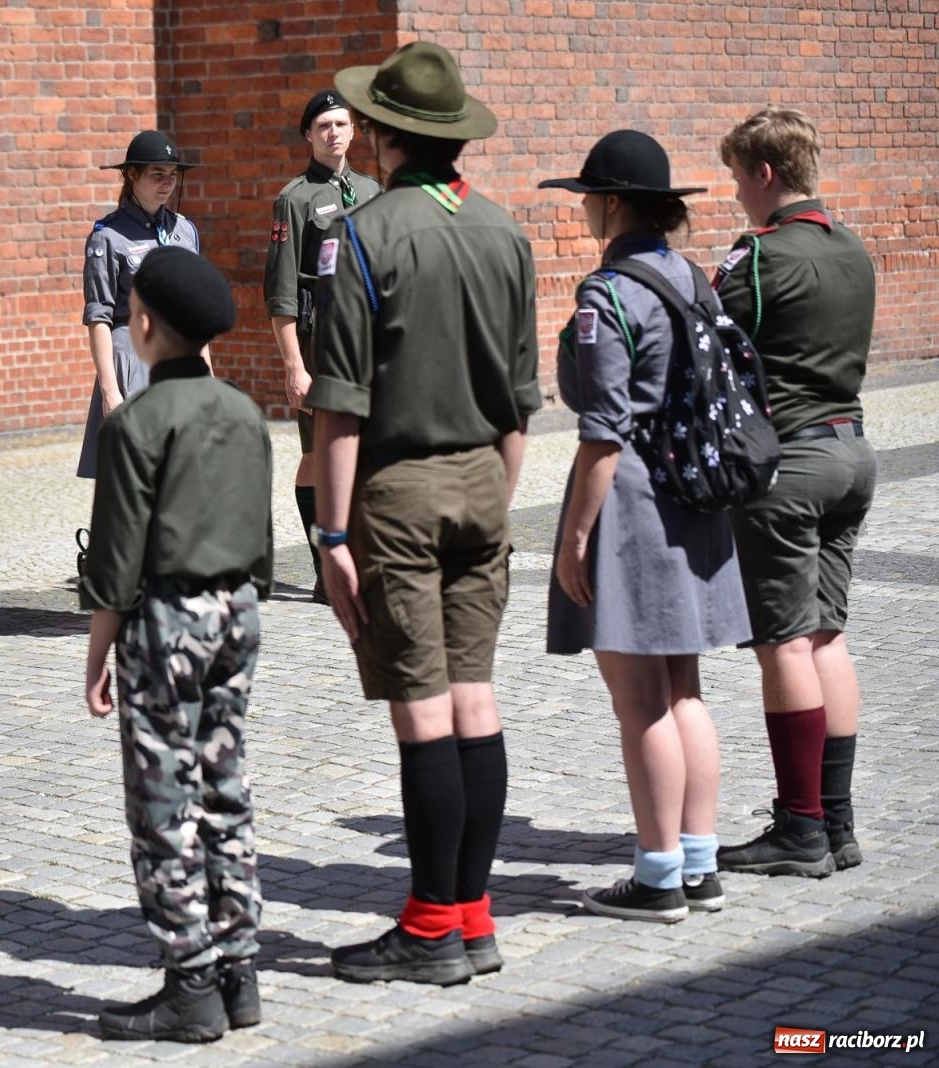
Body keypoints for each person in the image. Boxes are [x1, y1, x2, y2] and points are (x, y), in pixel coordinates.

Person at [308, 41, 541, 985]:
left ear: (376, 134)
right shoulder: (503, 232)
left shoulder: (362, 232)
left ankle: (430, 926)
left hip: (397, 488)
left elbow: (340, 404)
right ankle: (474, 920)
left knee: (422, 713)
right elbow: (523, 402)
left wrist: (330, 536)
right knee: (477, 704)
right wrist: (493, 490)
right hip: (488, 477)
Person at [538, 130, 750, 922]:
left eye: (589, 197)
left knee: (641, 705)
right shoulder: (689, 276)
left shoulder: (609, 294)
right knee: (684, 690)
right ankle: (698, 862)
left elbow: (602, 431)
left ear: (614, 202)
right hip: (694, 493)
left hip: (633, 504)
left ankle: (658, 875)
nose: (585, 209)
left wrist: (572, 539)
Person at [80, 247, 273, 1042]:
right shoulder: (244, 412)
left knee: (164, 799)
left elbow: (116, 562)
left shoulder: (138, 424)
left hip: (167, 621)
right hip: (239, 610)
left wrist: (98, 654)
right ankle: (239, 968)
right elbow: (260, 538)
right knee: (225, 783)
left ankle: (189, 981)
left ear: (146, 324)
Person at [712, 107, 878, 879]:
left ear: (764, 174)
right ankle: (837, 823)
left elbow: (709, 344)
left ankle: (799, 826)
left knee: (783, 644)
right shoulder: (854, 250)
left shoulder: (758, 257)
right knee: (827, 637)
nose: (737, 193)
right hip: (852, 451)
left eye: (738, 177)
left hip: (791, 465)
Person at [263, 90, 382, 602]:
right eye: (323, 126)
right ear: (309, 135)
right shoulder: (295, 198)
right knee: (317, 453)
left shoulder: (375, 190)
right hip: (321, 342)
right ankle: (322, 565)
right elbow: (281, 293)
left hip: (372, 341)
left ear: (354, 131)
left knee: (371, 448)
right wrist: (295, 366)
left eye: (342, 124)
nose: (334, 133)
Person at [74, 130, 203, 482]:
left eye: (172, 175)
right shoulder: (107, 236)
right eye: (156, 174)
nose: (167, 183)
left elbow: (195, 309)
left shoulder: (184, 231)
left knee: (181, 472)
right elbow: (98, 316)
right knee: (135, 475)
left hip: (179, 355)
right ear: (132, 176)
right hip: (132, 358)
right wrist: (109, 389)